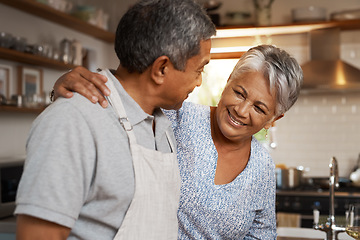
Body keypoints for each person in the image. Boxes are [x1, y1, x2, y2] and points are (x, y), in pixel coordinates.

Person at [53, 44, 303, 239]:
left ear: (273, 118)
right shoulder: (175, 118)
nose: (241, 110)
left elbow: (261, 236)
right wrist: (66, 90)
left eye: (259, 108)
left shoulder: (263, 167)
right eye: (239, 93)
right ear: (228, 82)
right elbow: (116, 105)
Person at [14, 0, 216, 239]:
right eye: (199, 69)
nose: (199, 81)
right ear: (161, 68)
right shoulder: (72, 121)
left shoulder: (163, 121)